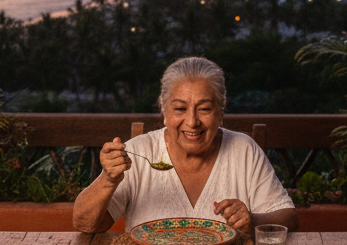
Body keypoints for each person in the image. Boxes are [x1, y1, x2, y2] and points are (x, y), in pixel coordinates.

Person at [73, 57, 297, 234]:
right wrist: (108, 179)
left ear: (221, 111)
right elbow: (85, 224)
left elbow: (289, 219)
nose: (192, 122)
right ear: (164, 109)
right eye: (180, 109)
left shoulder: (244, 150)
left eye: (205, 109)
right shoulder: (138, 152)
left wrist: (253, 220)